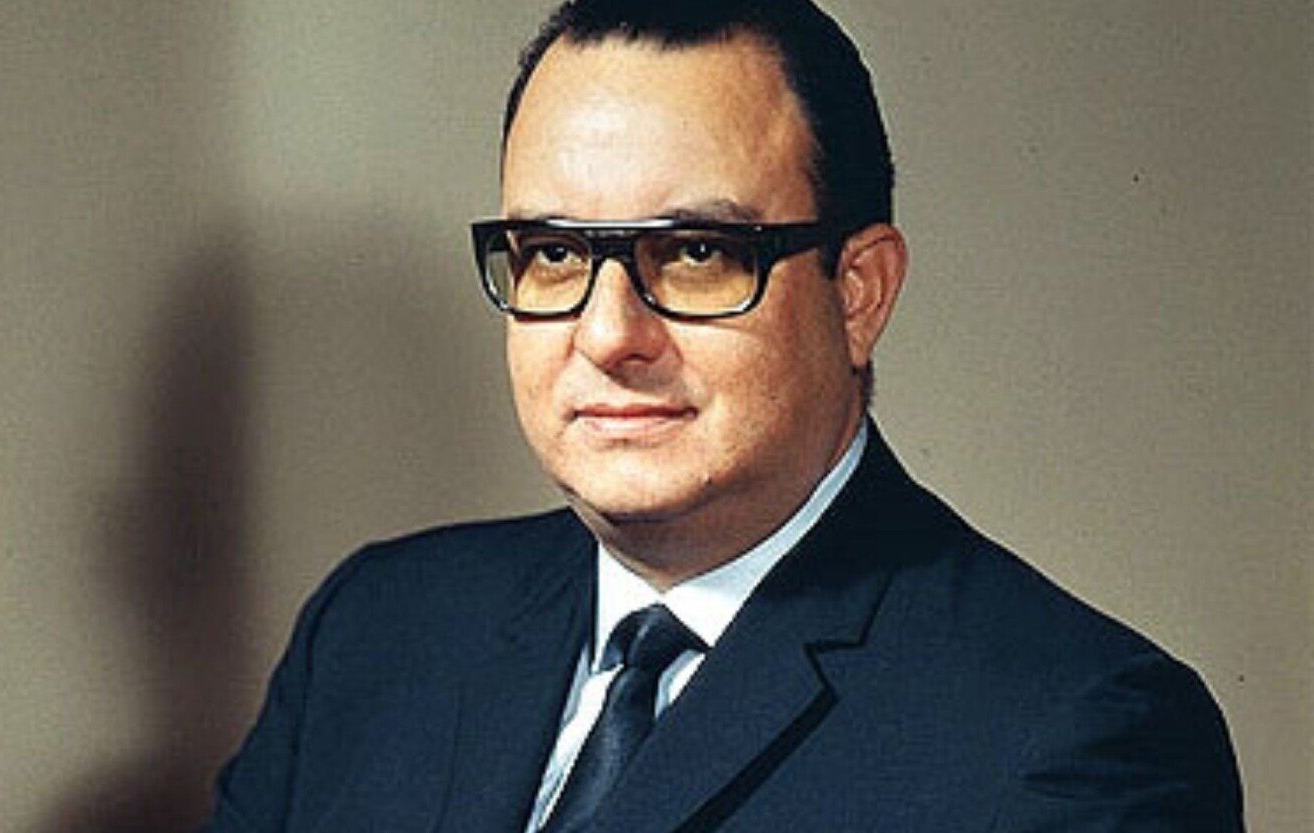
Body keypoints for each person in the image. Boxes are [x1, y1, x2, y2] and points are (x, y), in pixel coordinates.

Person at [202, 1, 1244, 830]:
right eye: (553, 252)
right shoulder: (374, 631)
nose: (609, 334)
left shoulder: (1074, 734)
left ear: (859, 293)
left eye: (697, 253)